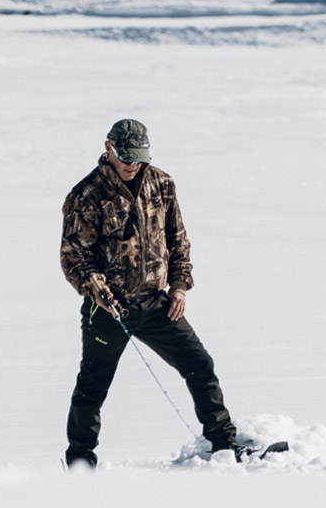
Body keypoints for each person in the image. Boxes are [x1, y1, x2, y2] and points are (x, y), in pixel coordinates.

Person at [59, 118, 245, 467]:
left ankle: (224, 446)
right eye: (126, 157)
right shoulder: (87, 195)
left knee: (200, 365)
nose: (133, 165)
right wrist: (92, 286)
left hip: (157, 304)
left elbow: (178, 239)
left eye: (139, 157)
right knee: (92, 387)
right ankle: (80, 463)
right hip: (109, 310)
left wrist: (178, 285)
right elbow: (74, 255)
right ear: (108, 148)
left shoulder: (161, 183)